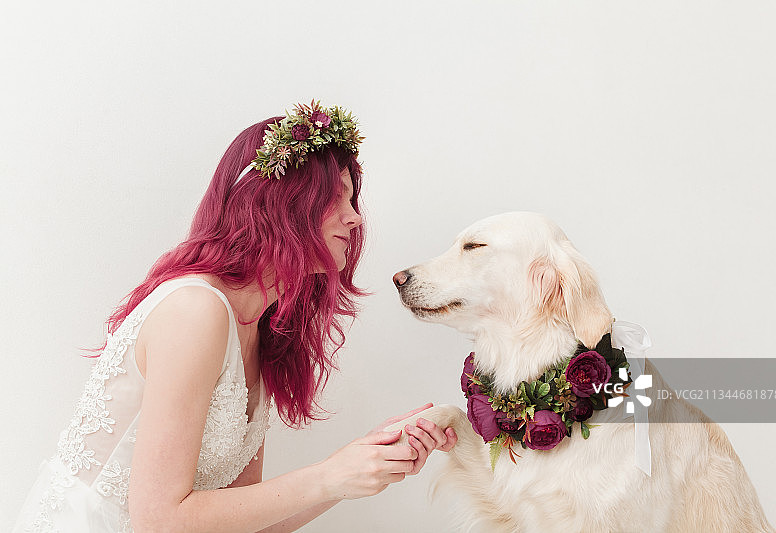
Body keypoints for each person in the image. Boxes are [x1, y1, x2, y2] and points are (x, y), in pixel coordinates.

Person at [13, 101, 457, 533]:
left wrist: (362, 462)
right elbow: (160, 520)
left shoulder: (257, 329)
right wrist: (330, 475)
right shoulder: (195, 309)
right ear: (281, 205)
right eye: (335, 197)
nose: (355, 217)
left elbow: (242, 525)